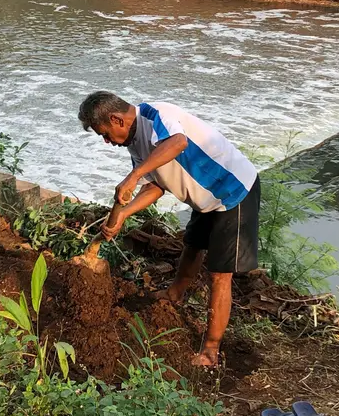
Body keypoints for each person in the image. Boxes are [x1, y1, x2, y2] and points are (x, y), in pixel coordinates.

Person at [77, 91, 260, 367]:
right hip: (205, 199)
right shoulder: (134, 143)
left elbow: (178, 142)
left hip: (233, 191)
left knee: (219, 276)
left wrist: (133, 175)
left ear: (117, 119)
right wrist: (125, 212)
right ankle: (174, 294)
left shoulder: (157, 115)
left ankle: (210, 351)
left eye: (104, 133)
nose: (105, 141)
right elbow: (155, 185)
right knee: (192, 245)